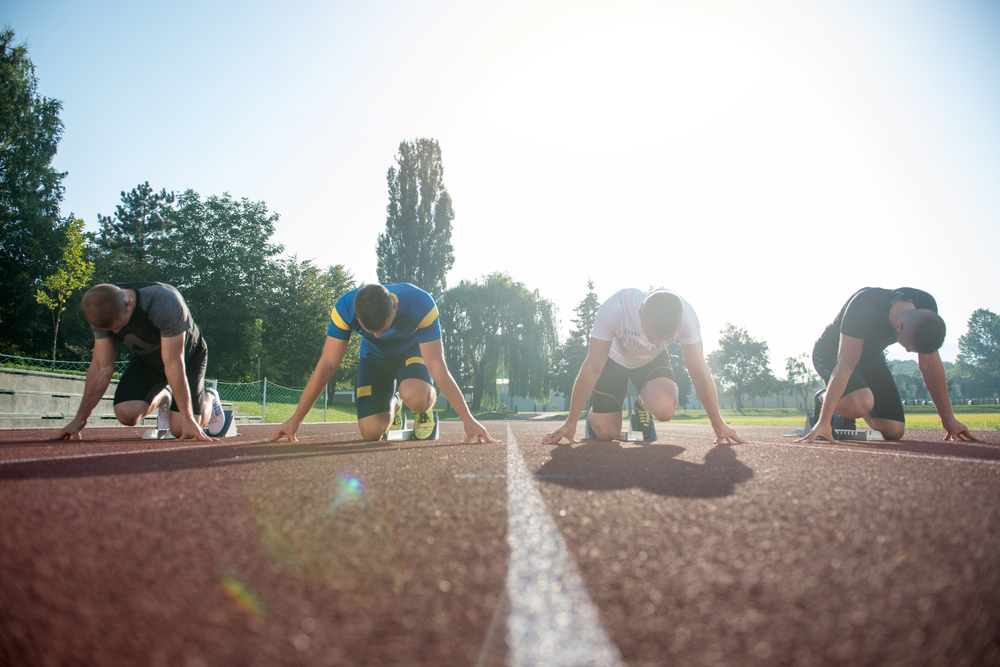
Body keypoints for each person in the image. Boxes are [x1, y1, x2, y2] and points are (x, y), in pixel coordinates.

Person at [270, 283, 498, 444]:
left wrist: (468, 421)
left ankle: (422, 411)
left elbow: (436, 365)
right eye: (371, 331)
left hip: (411, 351)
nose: (378, 335)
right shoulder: (344, 309)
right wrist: (295, 419)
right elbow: (328, 364)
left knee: (417, 397)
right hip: (374, 358)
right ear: (358, 318)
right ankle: (395, 403)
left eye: (383, 329)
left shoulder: (420, 304)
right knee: (370, 433)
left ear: (395, 308)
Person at [543, 288, 745, 445]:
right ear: (639, 313)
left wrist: (718, 423)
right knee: (606, 434)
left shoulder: (686, 317)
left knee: (665, 411)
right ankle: (594, 415)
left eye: (664, 339)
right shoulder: (615, 309)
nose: (655, 343)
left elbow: (698, 370)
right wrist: (570, 422)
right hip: (613, 360)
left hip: (651, 361)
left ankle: (642, 405)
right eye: (652, 336)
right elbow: (593, 366)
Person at [796, 286, 975, 443]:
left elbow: (929, 365)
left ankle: (845, 402)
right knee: (860, 403)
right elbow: (845, 365)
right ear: (898, 326)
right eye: (910, 347)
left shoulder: (926, 305)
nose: (907, 351)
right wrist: (825, 420)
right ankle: (824, 399)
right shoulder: (864, 305)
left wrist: (948, 419)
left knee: (894, 431)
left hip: (870, 358)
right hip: (833, 355)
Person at [56, 283, 225, 441]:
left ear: (129, 304)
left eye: (119, 326)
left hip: (187, 358)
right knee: (126, 414)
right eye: (110, 330)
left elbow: (173, 363)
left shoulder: (165, 302)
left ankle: (210, 397)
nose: (115, 332)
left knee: (181, 429)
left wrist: (188, 418)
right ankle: (166, 395)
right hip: (148, 358)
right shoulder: (100, 306)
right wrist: (80, 419)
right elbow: (101, 367)